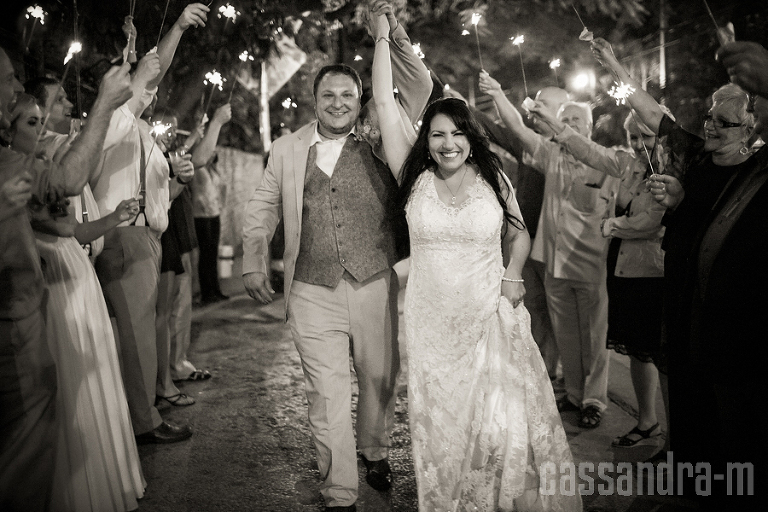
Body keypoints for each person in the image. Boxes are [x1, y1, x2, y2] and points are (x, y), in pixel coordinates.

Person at [370, 13, 581, 511]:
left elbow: (519, 234)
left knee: (497, 425)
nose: (448, 144)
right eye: (438, 134)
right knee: (440, 423)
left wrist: (511, 276)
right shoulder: (412, 174)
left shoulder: (494, 179)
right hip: (429, 321)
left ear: (471, 137)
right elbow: (383, 100)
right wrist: (382, 36)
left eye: (457, 135)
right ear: (427, 138)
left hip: (488, 313)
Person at [242, 4, 431, 510]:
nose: (339, 102)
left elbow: (416, 91)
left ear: (361, 98)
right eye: (328, 94)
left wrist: (390, 32)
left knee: (377, 377)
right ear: (314, 100)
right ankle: (340, 488)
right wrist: (254, 258)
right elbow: (262, 207)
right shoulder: (286, 148)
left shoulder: (381, 139)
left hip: (373, 280)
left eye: (348, 93)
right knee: (325, 392)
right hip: (310, 287)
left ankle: (373, 449)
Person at [595, 37, 768, 508]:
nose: (709, 125)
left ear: (752, 129)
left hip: (732, 319)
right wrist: (613, 64)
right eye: (709, 116)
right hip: (684, 298)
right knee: (683, 387)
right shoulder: (694, 159)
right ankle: (685, 468)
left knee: (726, 412)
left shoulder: (757, 173)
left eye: (724, 121)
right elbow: (654, 115)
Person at [0, 44, 132, 512]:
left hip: (63, 280)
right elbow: (73, 179)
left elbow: (71, 215)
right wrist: (108, 100)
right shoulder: (21, 166)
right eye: (9, 79)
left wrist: (115, 217)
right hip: (35, 303)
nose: (15, 88)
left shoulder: (26, 166)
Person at [91, 3, 208, 445]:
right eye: (139, 87)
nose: (151, 94)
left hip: (148, 236)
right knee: (137, 335)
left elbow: (159, 197)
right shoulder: (111, 125)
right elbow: (148, 77)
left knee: (143, 331)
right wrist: (176, 28)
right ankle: (145, 423)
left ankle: (144, 410)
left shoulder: (138, 131)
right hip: (123, 237)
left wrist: (179, 179)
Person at [479, 72, 619, 430]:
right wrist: (497, 92)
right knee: (567, 334)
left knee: (594, 337)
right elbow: (516, 128)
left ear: (589, 128)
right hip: (553, 262)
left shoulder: (606, 161)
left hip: (589, 263)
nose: (568, 125)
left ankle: (594, 400)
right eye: (565, 119)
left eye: (576, 121)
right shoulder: (550, 155)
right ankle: (574, 395)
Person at [528, 100, 668, 449]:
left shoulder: (669, 168)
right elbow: (587, 150)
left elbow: (653, 220)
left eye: (646, 137)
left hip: (645, 271)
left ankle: (607, 406)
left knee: (635, 349)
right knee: (631, 350)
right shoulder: (625, 164)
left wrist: (612, 224)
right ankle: (591, 402)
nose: (639, 144)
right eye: (633, 137)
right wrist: (552, 123)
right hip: (618, 267)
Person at [443, 85, 567, 380]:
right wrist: (458, 100)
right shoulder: (527, 145)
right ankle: (541, 372)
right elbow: (495, 128)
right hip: (525, 240)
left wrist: (498, 94)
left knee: (559, 314)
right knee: (531, 308)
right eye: (533, 104)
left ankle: (568, 378)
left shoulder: (568, 150)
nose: (533, 110)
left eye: (542, 105)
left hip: (558, 244)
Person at [149, 105, 203, 407]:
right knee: (158, 316)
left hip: (168, 235)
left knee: (167, 313)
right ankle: (161, 383)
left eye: (172, 128)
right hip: (152, 235)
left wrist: (181, 179)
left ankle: (165, 379)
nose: (168, 133)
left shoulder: (165, 154)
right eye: (162, 127)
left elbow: (169, 191)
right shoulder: (148, 152)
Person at [191, 103, 232, 307]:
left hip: (214, 214)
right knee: (205, 256)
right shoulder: (198, 167)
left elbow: (221, 188)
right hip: (201, 216)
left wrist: (220, 206)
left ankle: (215, 289)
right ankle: (207, 292)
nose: (213, 153)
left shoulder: (212, 170)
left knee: (212, 255)